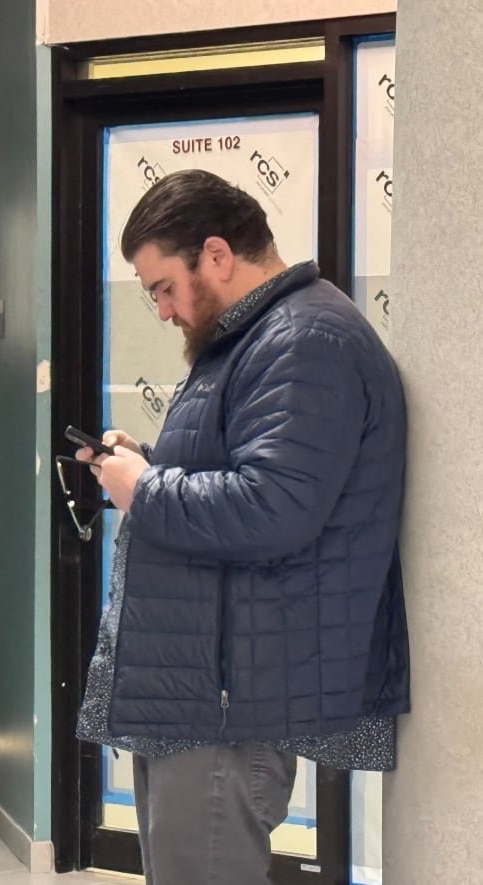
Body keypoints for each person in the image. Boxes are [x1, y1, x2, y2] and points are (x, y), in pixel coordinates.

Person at [74, 169, 409, 885]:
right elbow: (244, 475)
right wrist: (147, 464)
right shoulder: (256, 338)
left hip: (226, 707)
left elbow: (274, 507)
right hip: (205, 693)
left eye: (164, 286)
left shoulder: (303, 340)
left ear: (218, 256)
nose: (161, 310)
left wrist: (148, 489)